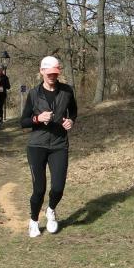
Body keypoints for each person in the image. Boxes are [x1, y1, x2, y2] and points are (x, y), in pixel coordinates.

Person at [20, 56, 77, 238]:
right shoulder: (34, 94)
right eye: (49, 73)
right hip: (37, 145)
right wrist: (37, 118)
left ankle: (51, 210)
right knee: (39, 189)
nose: (52, 76)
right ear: (42, 71)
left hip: (59, 144)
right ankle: (34, 221)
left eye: (55, 73)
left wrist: (71, 121)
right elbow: (23, 121)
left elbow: (73, 111)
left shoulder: (67, 91)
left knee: (58, 187)